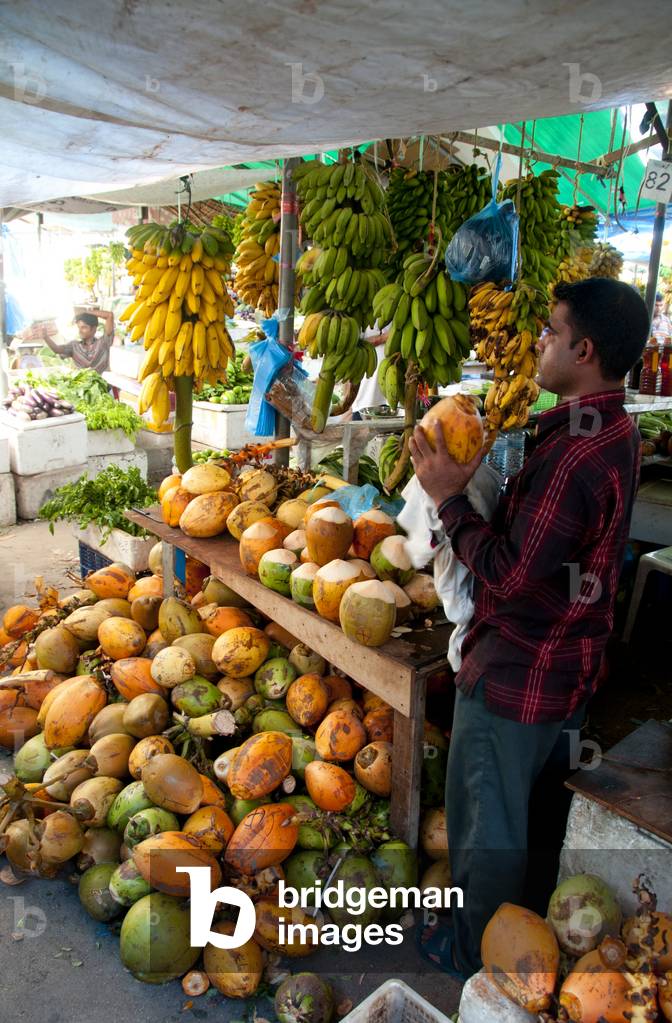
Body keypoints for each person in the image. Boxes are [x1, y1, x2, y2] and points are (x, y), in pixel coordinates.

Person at [409, 277, 650, 979]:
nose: (538, 341)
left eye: (549, 331)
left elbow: (509, 575)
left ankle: (470, 963)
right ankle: (528, 940)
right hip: (569, 668)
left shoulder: (575, 452)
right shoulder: (614, 428)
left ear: (583, 348)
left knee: (488, 830)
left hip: (518, 674)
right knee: (534, 817)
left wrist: (452, 500)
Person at [42, 310, 115, 373]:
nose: (80, 331)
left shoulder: (103, 343)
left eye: (84, 327)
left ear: (94, 329)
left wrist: (85, 312)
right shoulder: (74, 346)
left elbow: (109, 315)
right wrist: (46, 337)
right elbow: (57, 349)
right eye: (79, 327)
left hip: (101, 386)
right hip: (82, 386)